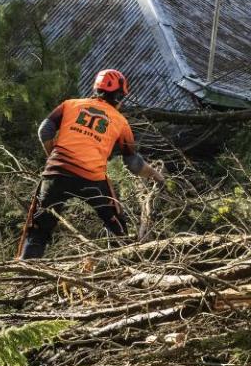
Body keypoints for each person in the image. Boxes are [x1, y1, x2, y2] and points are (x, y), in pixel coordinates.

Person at [20, 69, 165, 259]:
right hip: (92, 179)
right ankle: (121, 266)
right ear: (120, 95)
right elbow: (133, 164)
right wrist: (156, 176)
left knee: (38, 230)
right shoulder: (121, 122)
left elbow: (44, 130)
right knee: (117, 226)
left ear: (96, 88)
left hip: (55, 174)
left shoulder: (70, 105)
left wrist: (54, 159)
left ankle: (27, 276)